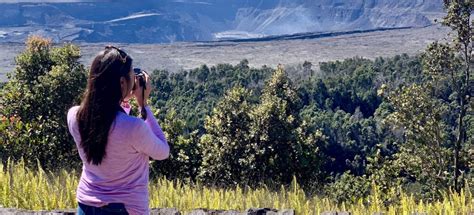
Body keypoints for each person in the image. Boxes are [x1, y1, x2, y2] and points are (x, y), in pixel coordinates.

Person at [67, 46, 170, 215]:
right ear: (122, 82)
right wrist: (143, 105)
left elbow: (110, 129)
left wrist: (121, 100)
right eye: (131, 75)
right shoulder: (134, 127)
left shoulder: (74, 116)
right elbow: (163, 151)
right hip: (125, 208)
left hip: (86, 205)